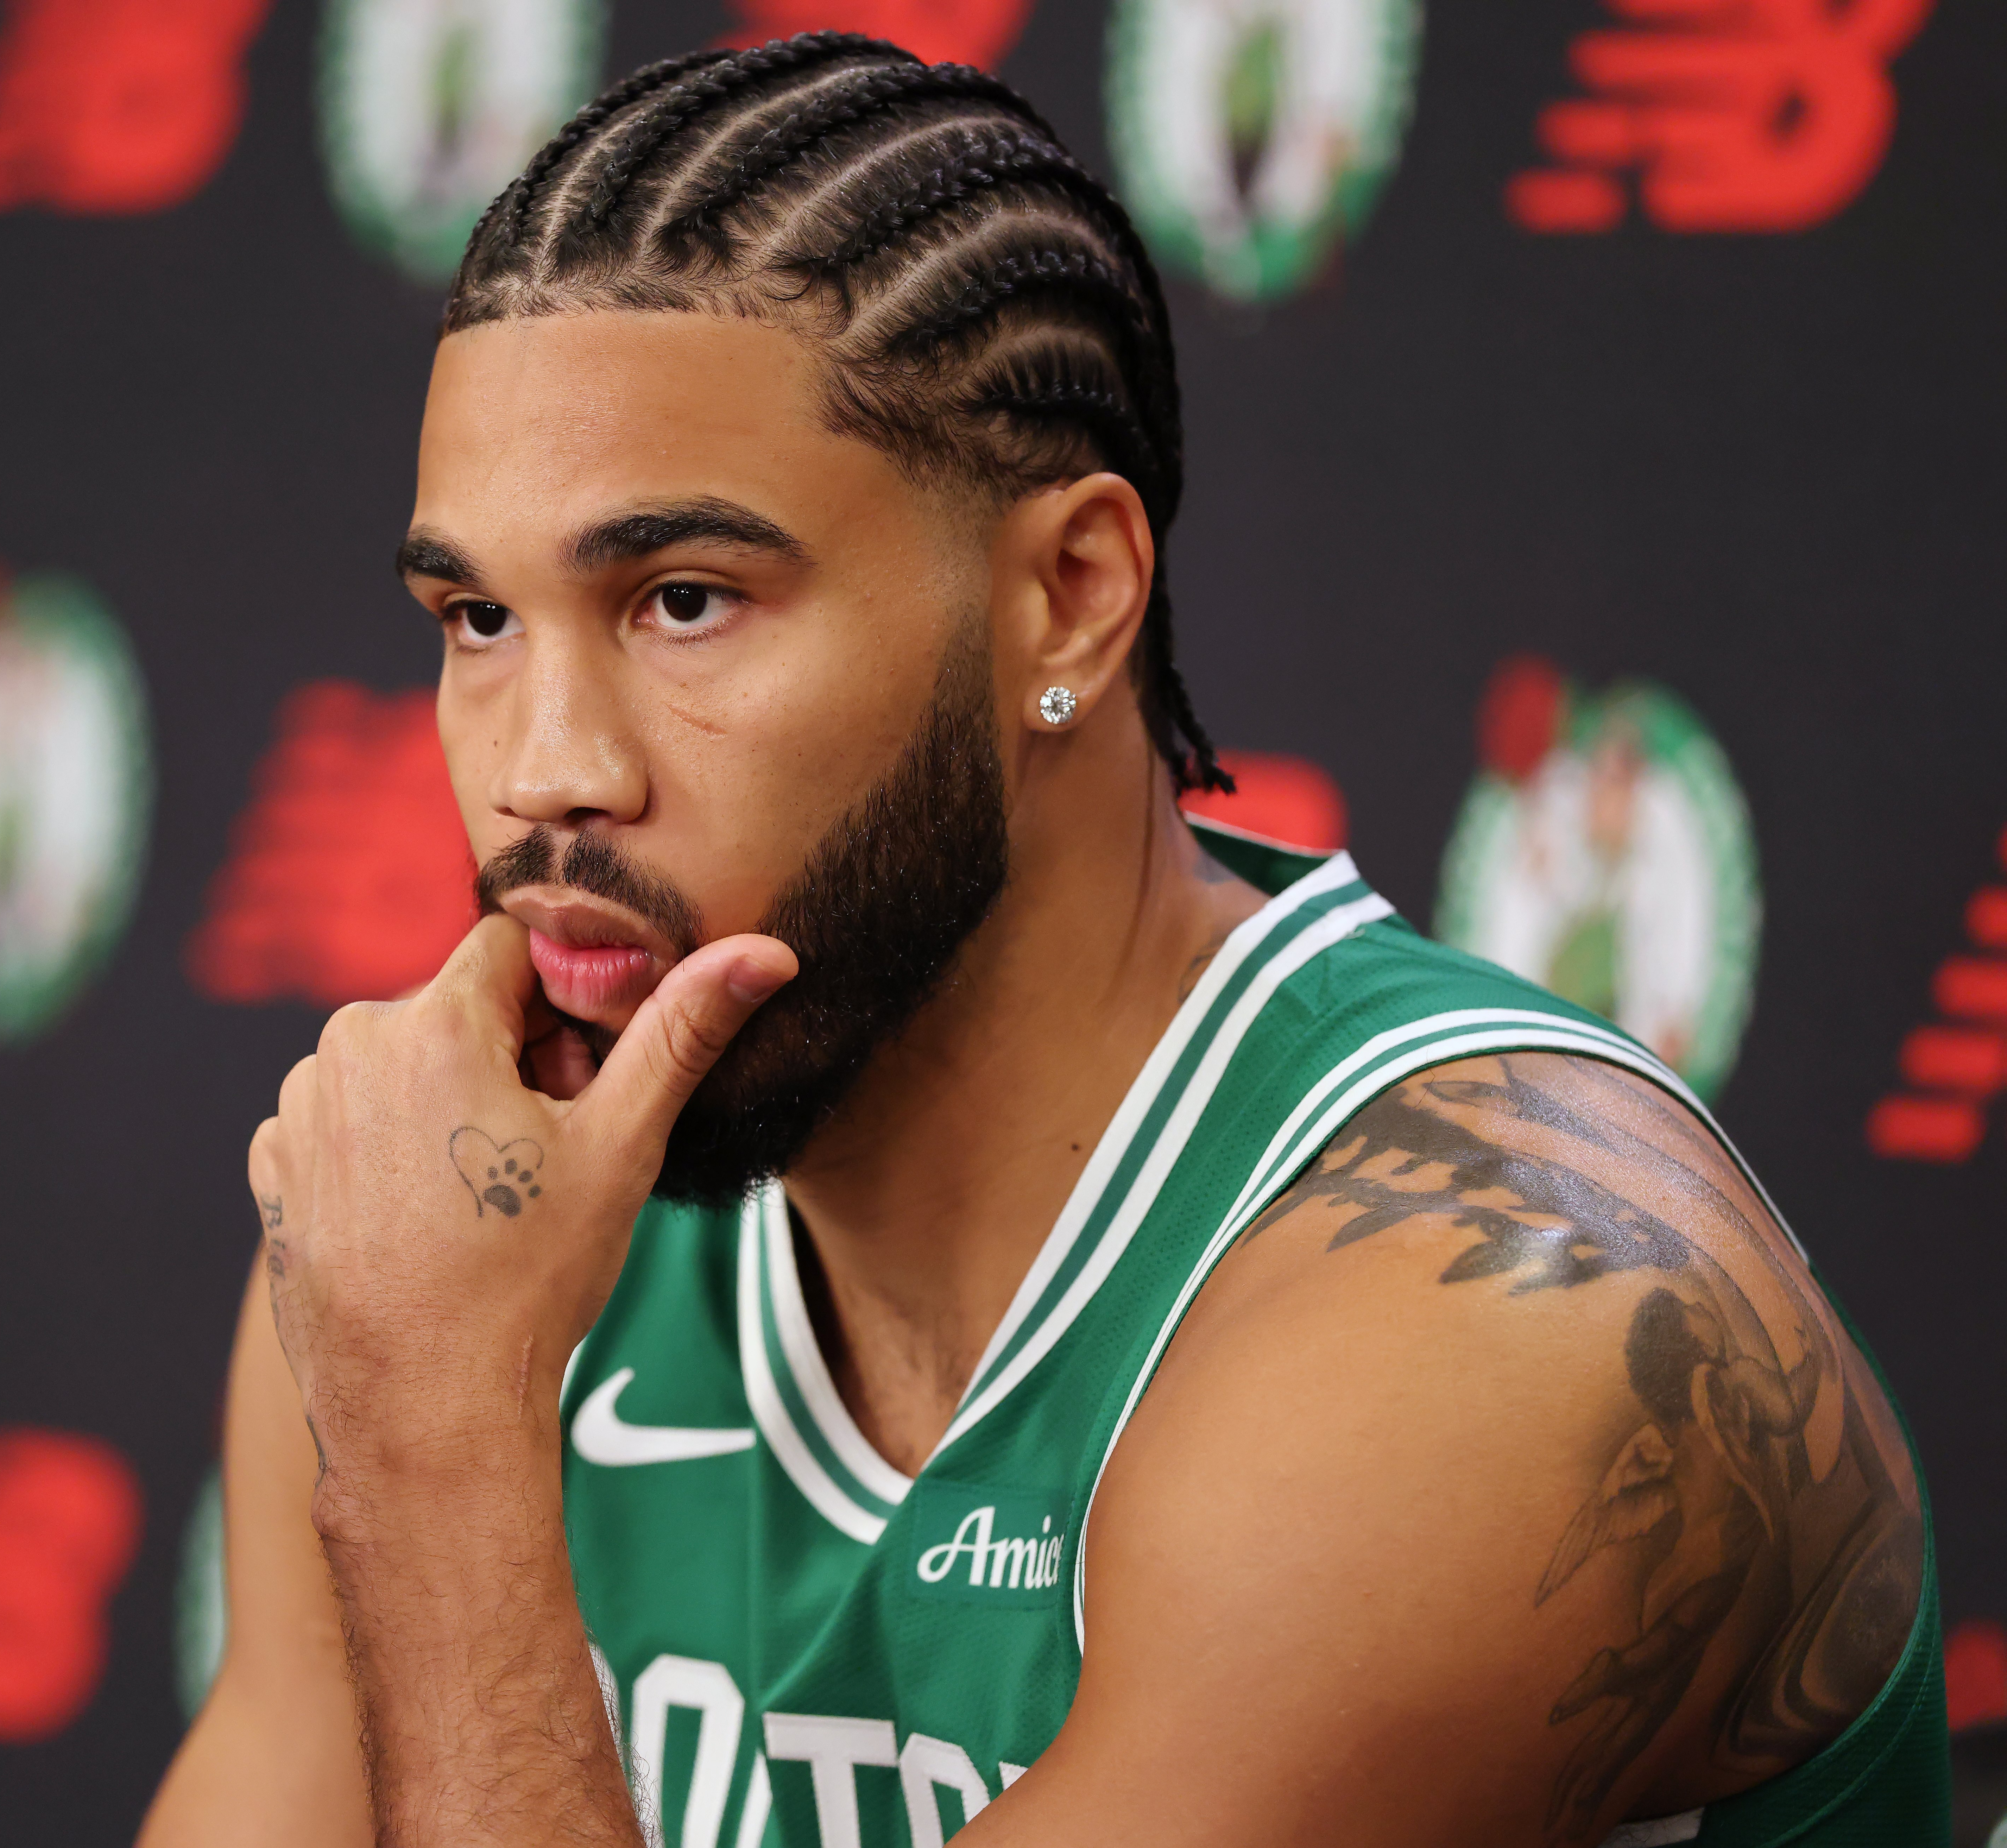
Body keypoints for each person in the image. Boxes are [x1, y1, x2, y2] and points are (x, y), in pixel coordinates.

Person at [141, 33, 1943, 1848]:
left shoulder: (1510, 1334)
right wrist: (422, 1392)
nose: (545, 774)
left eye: (684, 601)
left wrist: (441, 1460)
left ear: (1069, 598)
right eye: (477, 620)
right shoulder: (451, 1242)